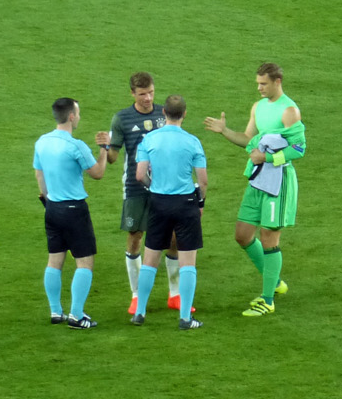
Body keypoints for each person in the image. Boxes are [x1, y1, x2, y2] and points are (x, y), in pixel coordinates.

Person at [204, 62, 305, 317]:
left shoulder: (289, 110)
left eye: (263, 83)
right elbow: (247, 139)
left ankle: (268, 298)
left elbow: (299, 148)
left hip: (278, 182)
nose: (259, 88)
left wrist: (269, 159)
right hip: (256, 179)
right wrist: (225, 131)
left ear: (277, 81)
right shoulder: (258, 107)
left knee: (269, 237)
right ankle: (276, 280)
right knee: (243, 234)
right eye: (258, 83)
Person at [107, 72, 184, 316]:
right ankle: (136, 295)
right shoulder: (122, 119)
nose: (148, 98)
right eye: (142, 94)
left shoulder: (165, 114)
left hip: (166, 187)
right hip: (135, 187)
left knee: (173, 238)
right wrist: (104, 147)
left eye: (151, 92)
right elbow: (113, 158)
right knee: (135, 236)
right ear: (132, 94)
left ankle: (175, 294)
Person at [130, 95, 208, 330]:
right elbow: (202, 180)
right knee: (187, 262)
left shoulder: (150, 139)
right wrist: (200, 202)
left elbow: (139, 175)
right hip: (185, 203)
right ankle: (185, 317)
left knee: (150, 259)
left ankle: (139, 312)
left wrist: (152, 185)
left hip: (158, 202)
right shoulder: (193, 141)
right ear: (184, 114)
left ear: (164, 112)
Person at [35, 98, 110, 329]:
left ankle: (56, 311)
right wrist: (104, 149)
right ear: (70, 117)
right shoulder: (75, 145)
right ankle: (77, 316)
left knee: (55, 260)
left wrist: (48, 199)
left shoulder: (41, 142)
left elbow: (40, 175)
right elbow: (97, 173)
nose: (78, 117)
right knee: (84, 263)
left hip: (52, 208)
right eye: (77, 113)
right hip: (74, 210)